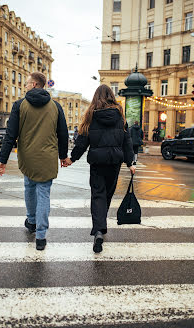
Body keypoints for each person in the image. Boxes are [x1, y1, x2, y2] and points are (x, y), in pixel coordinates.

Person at [0, 72, 68, 251]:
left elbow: (11, 135)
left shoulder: (19, 105)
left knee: (29, 187)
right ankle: (41, 236)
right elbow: (63, 134)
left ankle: (32, 222)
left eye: (27, 83)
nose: (25, 86)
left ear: (35, 84)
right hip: (48, 158)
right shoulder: (56, 106)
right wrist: (63, 156)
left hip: (27, 157)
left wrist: (2, 160)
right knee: (44, 193)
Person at [64, 85, 135, 253]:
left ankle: (98, 230)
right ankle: (101, 226)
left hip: (97, 162)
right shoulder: (120, 115)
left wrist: (71, 158)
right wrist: (130, 162)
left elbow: (82, 141)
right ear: (111, 96)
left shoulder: (91, 115)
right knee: (107, 194)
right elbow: (127, 141)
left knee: (97, 195)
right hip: (114, 162)